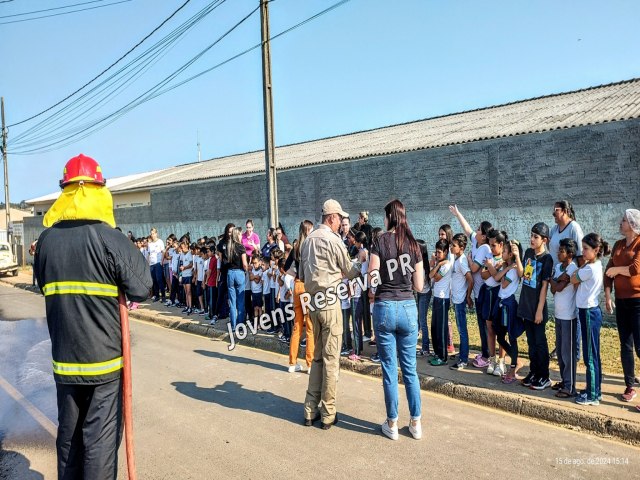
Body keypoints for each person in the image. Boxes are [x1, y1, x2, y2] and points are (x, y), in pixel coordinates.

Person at [34, 154, 152, 479]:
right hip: (104, 365)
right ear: (99, 192)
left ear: (65, 193)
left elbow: (44, 286)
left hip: (65, 362)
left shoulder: (46, 242)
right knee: (99, 444)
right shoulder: (107, 237)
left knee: (70, 442)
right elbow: (143, 286)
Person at [299, 199, 364, 430]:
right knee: (330, 359)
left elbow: (301, 272)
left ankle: (309, 409)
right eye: (339, 218)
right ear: (332, 218)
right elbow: (349, 270)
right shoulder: (333, 240)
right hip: (329, 302)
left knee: (316, 357)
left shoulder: (307, 242)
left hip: (313, 303)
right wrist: (361, 264)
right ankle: (328, 413)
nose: (341, 223)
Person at [368, 199, 424, 440]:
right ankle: (416, 423)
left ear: (390, 217)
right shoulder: (414, 245)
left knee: (390, 370)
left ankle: (392, 424)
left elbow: (371, 283)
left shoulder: (379, 242)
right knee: (410, 369)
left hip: (385, 307)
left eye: (385, 216)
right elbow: (419, 286)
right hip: (408, 308)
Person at [449, 205, 493, 368]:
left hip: (482, 291)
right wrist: (458, 213)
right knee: (481, 323)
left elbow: (473, 269)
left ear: (484, 235)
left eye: (479, 230)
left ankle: (487, 354)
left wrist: (467, 259)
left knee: (484, 325)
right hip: (476, 292)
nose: (476, 231)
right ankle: (484, 352)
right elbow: (467, 230)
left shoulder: (484, 248)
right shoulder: (476, 242)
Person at [605, 209, 640, 405]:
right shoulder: (618, 244)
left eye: (624, 220)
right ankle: (629, 385)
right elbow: (606, 273)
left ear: (633, 225)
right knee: (625, 344)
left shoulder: (639, 243)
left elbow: (635, 269)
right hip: (621, 301)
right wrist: (608, 296)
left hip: (637, 301)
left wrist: (615, 270)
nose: (620, 222)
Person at [571, 233, 610, 406]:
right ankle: (595, 390)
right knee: (593, 353)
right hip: (589, 311)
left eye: (586, 249)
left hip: (588, 312)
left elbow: (573, 279)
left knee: (590, 356)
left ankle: (593, 395)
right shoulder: (595, 265)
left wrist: (580, 268)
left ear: (596, 250)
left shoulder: (589, 268)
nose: (583, 252)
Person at [519, 222, 554, 391]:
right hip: (526, 305)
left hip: (537, 308)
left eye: (536, 237)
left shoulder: (547, 259)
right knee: (531, 343)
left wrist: (539, 310)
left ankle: (544, 376)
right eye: (531, 235)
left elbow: (544, 287)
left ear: (544, 240)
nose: (532, 239)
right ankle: (533, 372)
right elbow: (524, 277)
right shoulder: (527, 253)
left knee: (540, 343)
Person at [486, 239, 525, 383]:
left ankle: (514, 364)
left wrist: (504, 268)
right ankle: (516, 359)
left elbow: (499, 280)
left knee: (510, 335)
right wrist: (504, 267)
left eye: (504, 252)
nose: (501, 253)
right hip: (501, 303)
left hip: (508, 305)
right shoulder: (508, 267)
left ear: (511, 255)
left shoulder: (514, 270)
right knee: (500, 335)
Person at [549, 239, 579, 397]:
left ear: (570, 254)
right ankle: (564, 380)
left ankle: (570, 386)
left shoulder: (573, 267)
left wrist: (555, 281)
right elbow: (553, 290)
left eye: (561, 251)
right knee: (560, 352)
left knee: (568, 353)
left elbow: (558, 287)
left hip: (569, 316)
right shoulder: (558, 267)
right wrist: (557, 280)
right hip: (559, 315)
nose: (558, 253)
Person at [287, 220, 315, 374]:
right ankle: (310, 364)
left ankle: (292, 363)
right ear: (308, 230)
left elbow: (284, 267)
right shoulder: (310, 247)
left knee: (297, 326)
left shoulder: (296, 247)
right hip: (306, 286)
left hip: (297, 284)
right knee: (309, 326)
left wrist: (294, 275)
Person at [449, 233, 473, 370]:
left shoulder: (462, 261)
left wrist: (468, 296)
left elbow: (470, 280)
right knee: (460, 329)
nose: (451, 247)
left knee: (462, 331)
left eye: (454, 245)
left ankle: (463, 360)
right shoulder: (457, 259)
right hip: (457, 299)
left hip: (460, 300)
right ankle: (462, 354)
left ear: (462, 247)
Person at [429, 239, 452, 366]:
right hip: (436, 298)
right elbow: (430, 275)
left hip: (443, 299)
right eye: (436, 252)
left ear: (446, 252)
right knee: (435, 328)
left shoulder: (447, 265)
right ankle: (437, 353)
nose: (437, 255)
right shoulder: (440, 264)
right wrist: (437, 264)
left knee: (442, 329)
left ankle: (443, 357)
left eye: (439, 252)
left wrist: (437, 265)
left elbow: (436, 277)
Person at [222, 227, 248, 330]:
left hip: (230, 273)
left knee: (232, 302)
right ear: (237, 235)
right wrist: (246, 271)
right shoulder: (241, 247)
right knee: (240, 301)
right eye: (241, 234)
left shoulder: (229, 246)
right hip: (239, 273)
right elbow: (245, 264)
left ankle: (233, 325)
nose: (242, 236)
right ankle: (240, 324)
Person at [415, 240, 432, 357]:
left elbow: (419, 283)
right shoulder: (418, 262)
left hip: (424, 293)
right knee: (418, 321)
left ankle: (425, 348)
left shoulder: (423, 265)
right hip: (420, 293)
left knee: (422, 321)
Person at [147, 228, 165, 303]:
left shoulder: (160, 241)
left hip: (158, 263)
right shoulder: (150, 244)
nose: (152, 235)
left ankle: (163, 296)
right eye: (151, 233)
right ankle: (157, 295)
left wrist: (161, 261)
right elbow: (149, 254)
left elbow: (163, 251)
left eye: (153, 233)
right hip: (152, 263)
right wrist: (148, 263)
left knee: (159, 279)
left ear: (156, 233)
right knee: (154, 280)